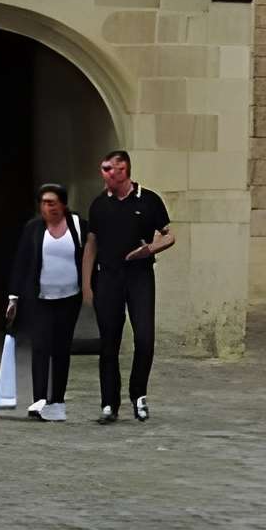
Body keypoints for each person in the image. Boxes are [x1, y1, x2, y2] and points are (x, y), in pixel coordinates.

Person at [82, 148, 175, 423]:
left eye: (109, 169)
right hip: (108, 278)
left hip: (139, 277)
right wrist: (86, 284)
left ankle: (139, 395)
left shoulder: (148, 201)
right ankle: (109, 404)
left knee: (144, 338)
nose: (105, 174)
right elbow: (91, 245)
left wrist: (149, 250)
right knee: (108, 342)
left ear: (123, 171)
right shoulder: (99, 204)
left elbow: (170, 236)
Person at [3, 185, 86, 423]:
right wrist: (13, 297)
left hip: (70, 298)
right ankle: (39, 399)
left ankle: (57, 401)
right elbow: (21, 261)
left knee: (61, 350)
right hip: (39, 298)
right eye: (43, 203)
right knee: (40, 346)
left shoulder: (79, 226)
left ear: (63, 205)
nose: (47, 207)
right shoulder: (34, 228)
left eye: (52, 202)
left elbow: (90, 254)